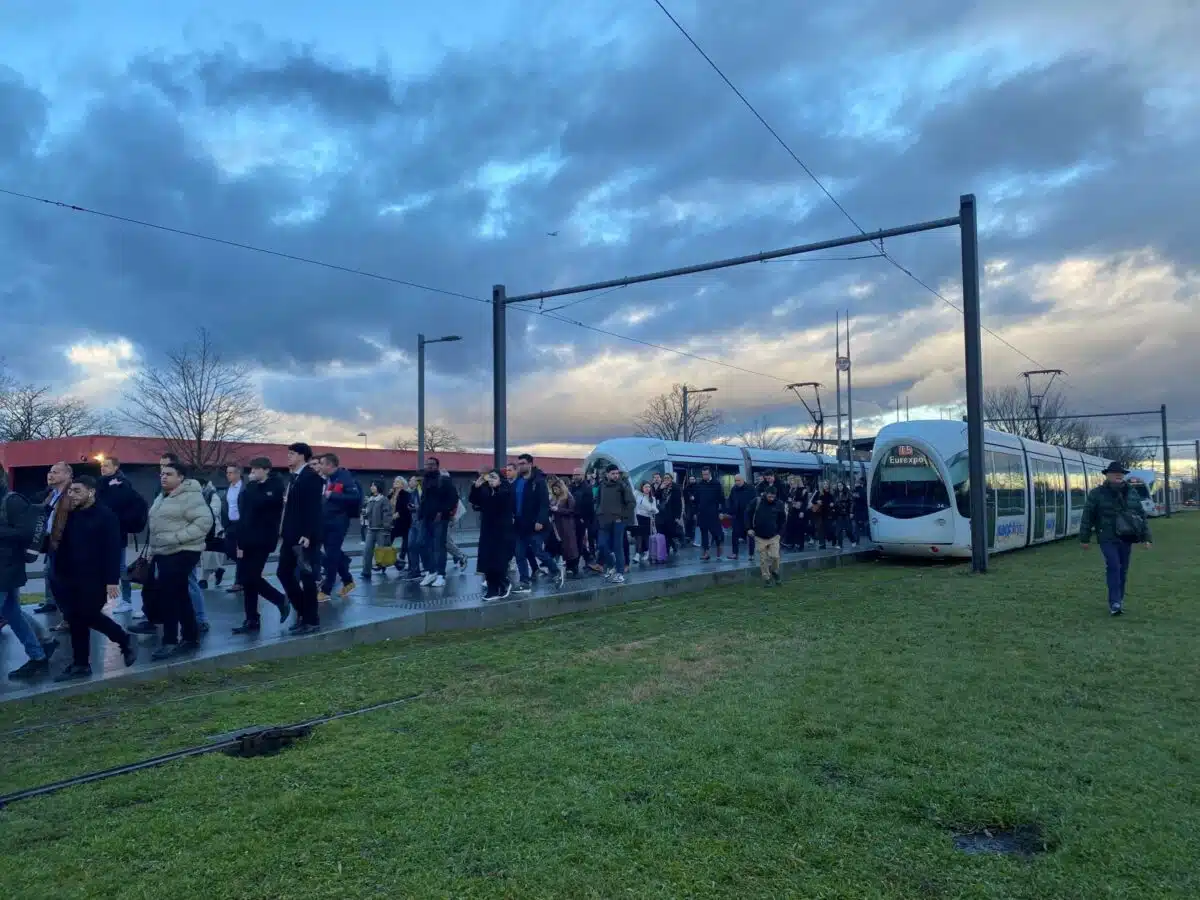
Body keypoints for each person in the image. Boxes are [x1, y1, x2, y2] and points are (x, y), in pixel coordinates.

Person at [48, 476, 137, 680]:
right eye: (70, 491)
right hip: (68, 576)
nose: (72, 494)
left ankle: (124, 639)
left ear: (91, 491)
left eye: (77, 490)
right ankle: (80, 664)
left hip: (94, 578)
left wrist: (112, 581)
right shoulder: (68, 514)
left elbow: (113, 550)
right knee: (74, 618)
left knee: (88, 614)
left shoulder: (106, 516)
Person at [146, 463, 211, 660]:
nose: (163, 477)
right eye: (162, 474)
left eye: (169, 474)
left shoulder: (191, 495)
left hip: (183, 552)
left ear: (181, 477)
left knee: (169, 595)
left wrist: (176, 537)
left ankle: (170, 640)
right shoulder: (163, 495)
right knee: (180, 595)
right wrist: (152, 548)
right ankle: (191, 636)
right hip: (163, 552)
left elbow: (204, 522)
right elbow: (156, 525)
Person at [1080, 462, 1152, 616]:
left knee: (1123, 569)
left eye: (1121, 473)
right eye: (1114, 473)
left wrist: (1147, 537)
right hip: (1107, 536)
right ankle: (1115, 603)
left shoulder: (1131, 492)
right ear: (1107, 475)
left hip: (1126, 536)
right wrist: (1084, 538)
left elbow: (1141, 516)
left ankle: (1118, 599)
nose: (1118, 475)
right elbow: (1088, 516)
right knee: (1114, 566)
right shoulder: (1097, 493)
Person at [1, 469, 54, 679]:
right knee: (13, 614)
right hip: (5, 568)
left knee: (12, 613)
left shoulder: (12, 501)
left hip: (7, 568)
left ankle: (38, 655)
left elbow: (25, 532)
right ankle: (38, 656)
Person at [232, 458, 290, 634]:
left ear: (266, 470)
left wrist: (253, 488)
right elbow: (244, 511)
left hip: (263, 539)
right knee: (246, 580)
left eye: (256, 469)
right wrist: (239, 540)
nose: (253, 473)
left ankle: (280, 600)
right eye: (252, 469)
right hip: (247, 538)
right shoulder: (251, 487)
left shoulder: (275, 486)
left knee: (252, 577)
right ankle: (251, 619)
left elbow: (261, 502)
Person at [279, 442, 324, 634]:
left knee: (306, 577)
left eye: (292, 453)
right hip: (290, 535)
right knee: (283, 573)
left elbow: (313, 509)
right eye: (288, 453)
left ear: (302, 456)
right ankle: (303, 612)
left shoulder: (311, 478)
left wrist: (307, 534)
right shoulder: (294, 478)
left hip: (304, 537)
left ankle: (311, 620)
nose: (288, 456)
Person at [96, 456, 148, 613]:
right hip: (101, 533)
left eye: (106, 465)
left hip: (117, 533)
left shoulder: (121, 483)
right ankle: (101, 599)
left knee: (119, 567)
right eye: (102, 465)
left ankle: (126, 600)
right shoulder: (101, 483)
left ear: (116, 467)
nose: (103, 468)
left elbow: (120, 505)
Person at [511, 454, 562, 592]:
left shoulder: (538, 481)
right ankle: (524, 582)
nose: (520, 466)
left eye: (523, 463)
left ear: (530, 464)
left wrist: (540, 520)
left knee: (537, 551)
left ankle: (555, 571)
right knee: (519, 554)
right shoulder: (517, 482)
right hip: (519, 524)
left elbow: (544, 503)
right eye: (519, 464)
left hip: (535, 525)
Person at [317, 452, 362, 601]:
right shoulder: (326, 478)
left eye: (322, 463)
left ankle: (326, 590)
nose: (320, 466)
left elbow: (355, 497)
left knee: (331, 554)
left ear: (330, 465)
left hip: (338, 521)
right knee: (331, 553)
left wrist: (332, 496)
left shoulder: (344, 477)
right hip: (325, 520)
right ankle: (348, 580)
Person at [469, 470, 515, 601]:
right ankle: (492, 590)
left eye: (494, 478)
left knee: (498, 561)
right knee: (487, 560)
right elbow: (474, 501)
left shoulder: (505, 491)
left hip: (502, 531)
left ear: (501, 479)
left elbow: (501, 502)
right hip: (487, 530)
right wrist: (476, 487)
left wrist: (496, 488)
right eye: (489, 478)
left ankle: (504, 583)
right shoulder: (487, 491)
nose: (491, 480)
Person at [418, 457, 460, 588]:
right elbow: (424, 498)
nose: (429, 467)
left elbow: (454, 498)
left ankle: (441, 575)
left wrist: (443, 512)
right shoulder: (425, 480)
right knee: (421, 543)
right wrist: (420, 513)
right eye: (427, 464)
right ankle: (431, 571)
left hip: (440, 518)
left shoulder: (444, 480)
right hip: (426, 517)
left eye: (432, 465)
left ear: (437, 466)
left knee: (439, 546)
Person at [596, 466, 635, 584]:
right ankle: (612, 565)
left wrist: (622, 517)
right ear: (607, 474)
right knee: (602, 545)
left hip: (618, 522)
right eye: (613, 473)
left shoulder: (622, 485)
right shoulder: (602, 485)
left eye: (617, 473)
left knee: (618, 547)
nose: (616, 475)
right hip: (604, 521)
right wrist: (598, 513)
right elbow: (597, 501)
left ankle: (620, 573)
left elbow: (632, 502)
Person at [747, 484, 788, 587]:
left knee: (775, 556)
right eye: (769, 496)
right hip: (759, 536)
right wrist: (749, 528)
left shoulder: (779, 504)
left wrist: (779, 534)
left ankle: (775, 571)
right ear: (765, 494)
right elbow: (747, 514)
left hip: (774, 536)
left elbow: (783, 520)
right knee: (763, 559)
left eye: (773, 497)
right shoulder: (757, 502)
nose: (771, 499)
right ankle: (767, 578)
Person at [688, 467, 726, 560]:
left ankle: (718, 545)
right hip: (702, 512)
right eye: (703, 474)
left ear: (710, 474)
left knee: (715, 532)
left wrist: (721, 512)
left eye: (706, 474)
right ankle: (706, 552)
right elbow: (697, 499)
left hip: (713, 512)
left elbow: (721, 498)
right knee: (703, 532)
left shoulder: (716, 484)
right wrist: (693, 502)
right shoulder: (700, 484)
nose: (704, 476)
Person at [360, 480, 393, 583]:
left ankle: (392, 564)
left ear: (379, 487)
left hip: (381, 530)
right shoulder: (370, 500)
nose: (372, 487)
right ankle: (366, 572)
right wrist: (364, 513)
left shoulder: (383, 499)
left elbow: (387, 514)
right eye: (371, 485)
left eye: (374, 485)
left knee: (382, 552)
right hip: (371, 529)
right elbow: (368, 513)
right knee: (367, 551)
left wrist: (386, 526)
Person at [221, 464, 246, 594]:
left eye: (230, 473)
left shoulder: (244, 488)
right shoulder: (228, 489)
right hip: (230, 524)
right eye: (227, 472)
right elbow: (226, 506)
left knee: (241, 553)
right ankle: (246, 567)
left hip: (242, 524)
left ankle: (239, 582)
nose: (228, 475)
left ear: (238, 474)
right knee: (230, 550)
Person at [549, 476, 581, 575]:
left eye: (556, 489)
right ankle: (568, 565)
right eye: (553, 489)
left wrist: (558, 510)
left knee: (570, 546)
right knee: (564, 546)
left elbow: (572, 511)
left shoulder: (568, 497)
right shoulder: (555, 498)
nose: (555, 491)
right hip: (558, 525)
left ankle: (573, 566)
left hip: (567, 525)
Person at [725, 474, 755, 560]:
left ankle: (751, 554)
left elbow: (755, 500)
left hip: (748, 515)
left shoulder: (750, 488)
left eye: (738, 480)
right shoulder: (734, 489)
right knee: (734, 534)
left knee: (750, 535)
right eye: (735, 481)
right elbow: (730, 500)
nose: (737, 482)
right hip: (737, 515)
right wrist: (730, 511)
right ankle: (735, 553)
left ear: (743, 480)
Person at [632, 481, 658, 564]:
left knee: (646, 536)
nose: (647, 489)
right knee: (638, 536)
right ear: (642, 488)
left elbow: (655, 509)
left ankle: (647, 551)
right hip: (637, 518)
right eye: (645, 487)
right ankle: (637, 554)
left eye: (649, 487)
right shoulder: (637, 494)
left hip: (647, 518)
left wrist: (651, 509)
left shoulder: (652, 498)